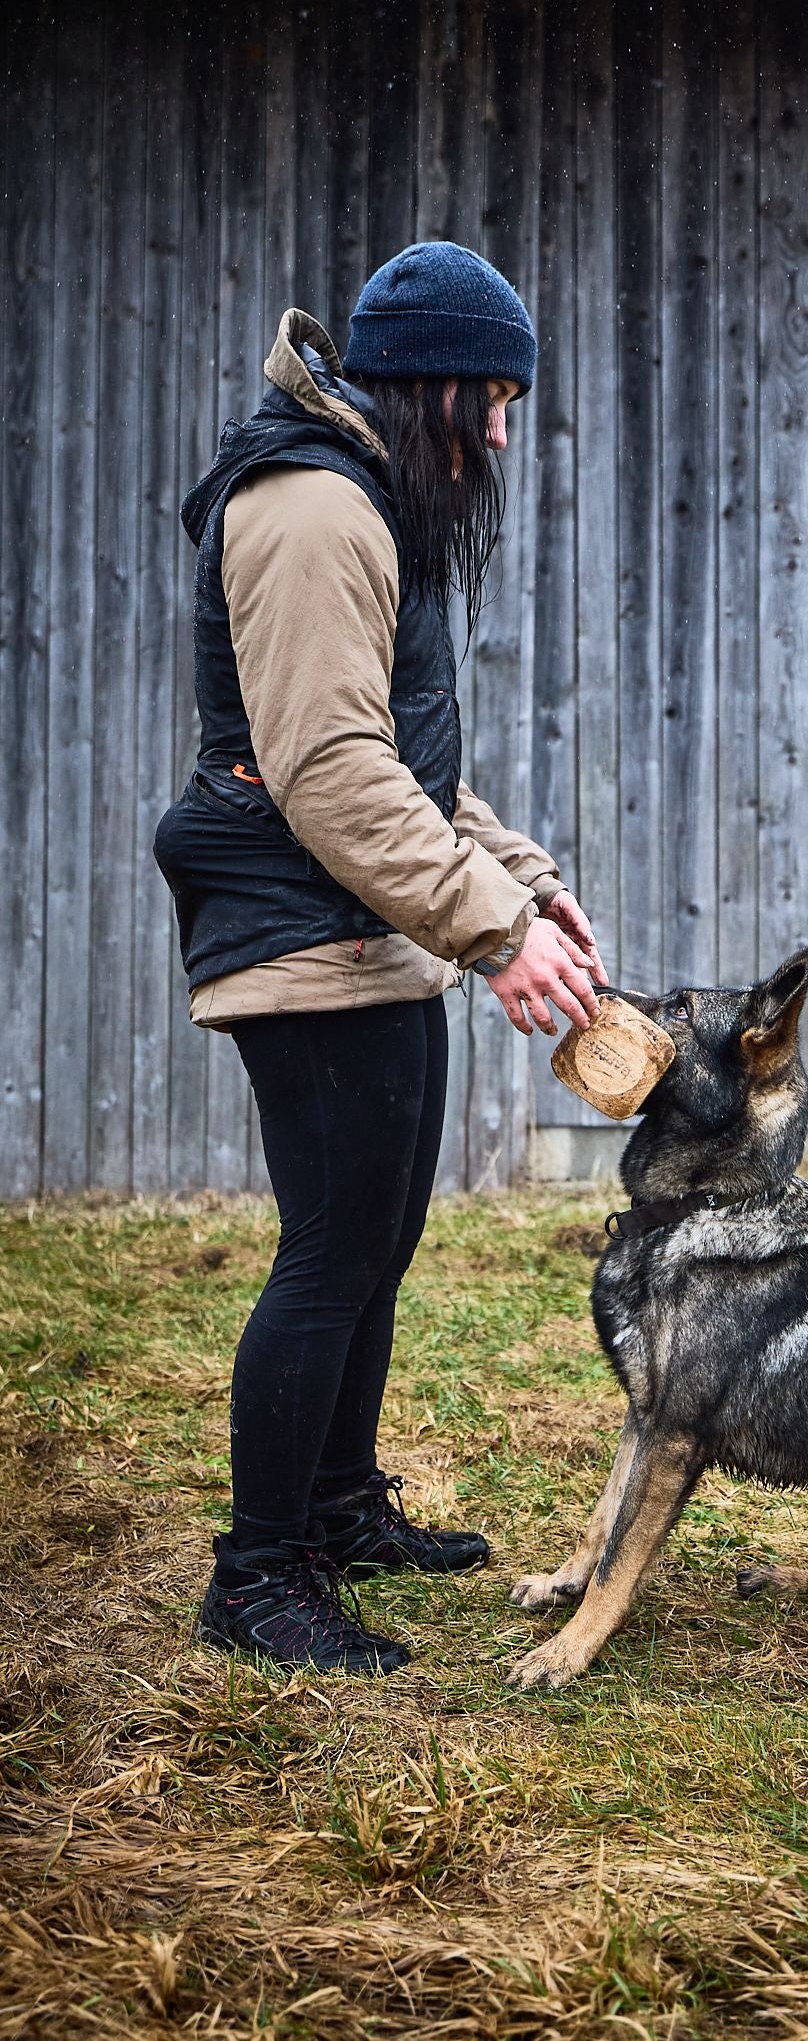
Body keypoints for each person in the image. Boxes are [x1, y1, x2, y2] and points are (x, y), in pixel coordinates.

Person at [154, 243, 608, 1675]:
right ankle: (261, 1576)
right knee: (331, 1252)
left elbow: (406, 767)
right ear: (440, 385)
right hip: (304, 935)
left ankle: (339, 1510)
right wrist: (489, 931)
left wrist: (527, 885)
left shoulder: (365, 502)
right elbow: (330, 770)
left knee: (377, 1245)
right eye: (496, 400)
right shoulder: (306, 510)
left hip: (363, 929)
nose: (503, 434)